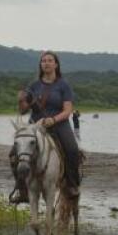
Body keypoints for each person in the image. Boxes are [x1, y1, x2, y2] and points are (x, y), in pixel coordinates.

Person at [9, 51, 81, 204]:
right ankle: (22, 189)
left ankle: (71, 185)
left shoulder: (63, 85)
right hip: (35, 125)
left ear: (56, 64)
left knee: (72, 150)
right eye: (44, 61)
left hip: (59, 123)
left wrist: (53, 120)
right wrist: (21, 100)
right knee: (14, 154)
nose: (46, 63)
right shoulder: (34, 86)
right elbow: (23, 110)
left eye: (50, 60)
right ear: (40, 65)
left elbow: (68, 110)